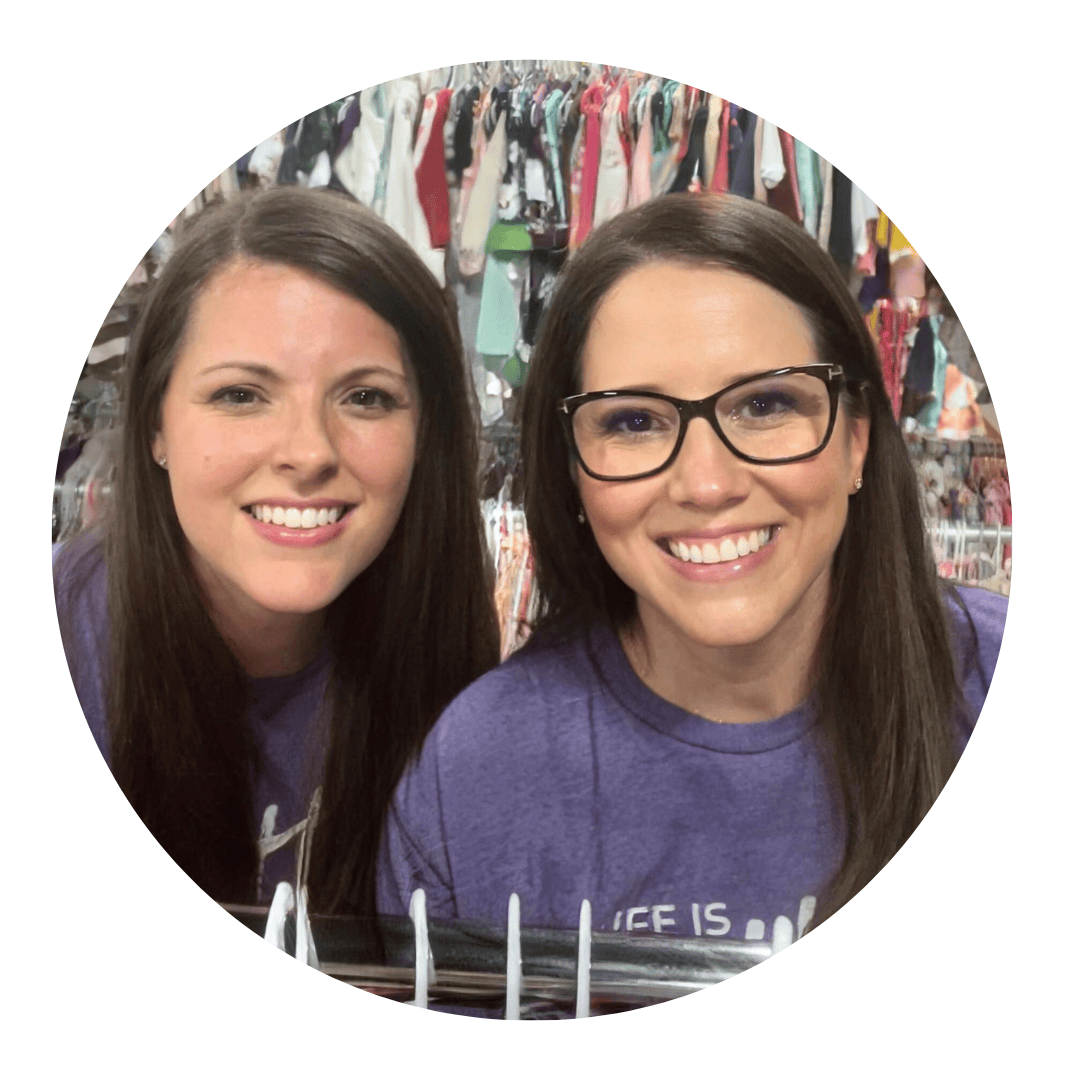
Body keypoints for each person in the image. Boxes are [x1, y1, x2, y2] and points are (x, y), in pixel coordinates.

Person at [376, 193, 1007, 959]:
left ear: (857, 443)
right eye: (634, 422)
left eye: (766, 404)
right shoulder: (477, 776)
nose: (707, 485)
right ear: (572, 472)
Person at [55, 186, 500, 915]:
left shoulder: (451, 668)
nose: (308, 452)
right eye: (240, 396)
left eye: (366, 398)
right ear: (155, 427)